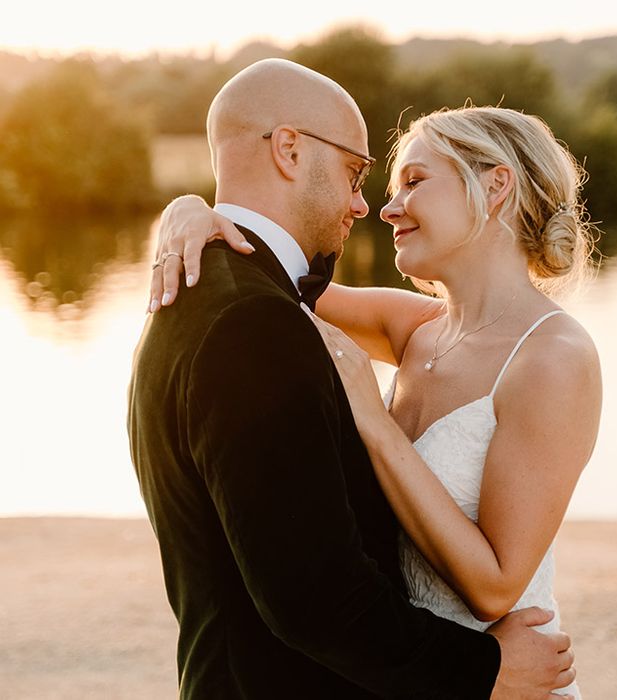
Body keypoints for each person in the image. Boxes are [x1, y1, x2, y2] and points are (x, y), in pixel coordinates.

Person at [129, 58, 577, 699]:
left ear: (495, 187)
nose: (377, 207)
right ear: (288, 149)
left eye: (412, 181)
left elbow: (281, 289)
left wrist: (373, 419)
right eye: (360, 174)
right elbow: (311, 597)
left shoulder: (550, 354)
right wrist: (186, 211)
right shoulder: (381, 326)